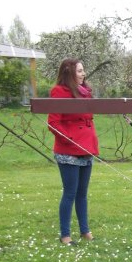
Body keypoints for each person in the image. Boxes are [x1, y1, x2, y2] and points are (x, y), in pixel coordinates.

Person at [48, 59, 99, 246]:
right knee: (70, 192)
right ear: (69, 73)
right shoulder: (59, 92)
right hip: (69, 149)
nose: (83, 74)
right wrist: (70, 139)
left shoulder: (85, 93)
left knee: (82, 193)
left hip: (86, 147)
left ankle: (85, 231)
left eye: (83, 70)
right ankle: (65, 234)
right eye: (80, 71)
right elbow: (53, 122)